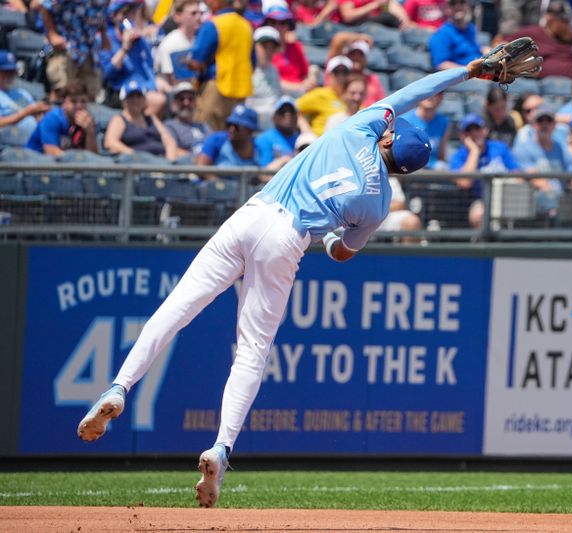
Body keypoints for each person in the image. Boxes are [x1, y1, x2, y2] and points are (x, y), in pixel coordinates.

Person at [76, 56, 498, 509]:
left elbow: (414, 91)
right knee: (252, 350)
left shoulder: (357, 128)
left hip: (252, 214)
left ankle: (119, 386)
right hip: (289, 239)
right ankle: (220, 447)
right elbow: (341, 253)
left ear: (389, 136)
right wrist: (333, 230)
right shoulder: (378, 203)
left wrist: (468, 73)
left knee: (175, 309)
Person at [188, 0, 254, 131]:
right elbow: (253, 63)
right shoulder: (247, 26)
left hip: (217, 89)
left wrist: (186, 62)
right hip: (241, 94)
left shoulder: (213, 24)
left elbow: (196, 62)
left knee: (204, 134)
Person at [450, 112, 520, 228]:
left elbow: (516, 174)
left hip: (505, 199)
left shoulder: (500, 148)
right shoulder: (458, 156)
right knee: (478, 214)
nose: (474, 133)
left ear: (485, 130)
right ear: (462, 136)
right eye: (469, 131)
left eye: (477, 129)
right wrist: (474, 152)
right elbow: (465, 183)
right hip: (480, 200)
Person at [503, 0, 572, 79]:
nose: (566, 24)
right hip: (544, 88)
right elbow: (504, 43)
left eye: (567, 20)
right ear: (550, 18)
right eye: (563, 20)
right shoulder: (533, 33)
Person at [101, 0, 165, 116]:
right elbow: (107, 75)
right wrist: (125, 48)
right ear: (114, 16)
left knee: (168, 91)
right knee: (159, 101)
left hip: (143, 86)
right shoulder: (107, 39)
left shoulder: (139, 40)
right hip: (120, 90)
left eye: (131, 12)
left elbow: (148, 66)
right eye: (124, 13)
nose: (128, 17)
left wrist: (153, 85)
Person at [35, 0, 108, 99]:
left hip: (90, 49)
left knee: (91, 92)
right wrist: (52, 34)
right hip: (66, 46)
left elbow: (101, 14)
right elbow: (44, 6)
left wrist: (104, 35)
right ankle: (55, 113)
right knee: (61, 90)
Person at [104, 80, 178, 160]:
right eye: (131, 96)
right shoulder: (119, 119)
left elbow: (169, 141)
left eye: (139, 96)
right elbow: (110, 143)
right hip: (137, 164)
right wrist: (136, 156)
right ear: (123, 101)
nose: (135, 100)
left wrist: (170, 163)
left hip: (161, 161)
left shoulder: (151, 118)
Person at [26, 80, 98, 157]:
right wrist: (77, 161)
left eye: (83, 102)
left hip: (64, 165)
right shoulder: (52, 119)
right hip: (34, 164)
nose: (79, 106)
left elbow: (93, 158)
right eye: (74, 101)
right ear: (64, 103)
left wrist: (90, 133)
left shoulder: (87, 122)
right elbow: (51, 152)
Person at [0, 50, 49, 147]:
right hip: (8, 147)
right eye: (5, 72)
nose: (10, 75)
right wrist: (25, 113)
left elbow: (37, 117)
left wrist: (42, 113)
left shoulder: (22, 93)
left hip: (33, 144)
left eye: (12, 72)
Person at [264, 5, 317, 94]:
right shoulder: (263, 50)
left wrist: (310, 82)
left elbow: (305, 75)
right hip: (275, 94)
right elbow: (268, 81)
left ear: (288, 26)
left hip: (300, 95)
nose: (278, 27)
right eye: (273, 22)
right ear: (267, 25)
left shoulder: (297, 47)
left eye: (282, 23)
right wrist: (299, 86)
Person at [196, 103, 263, 171]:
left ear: (249, 130)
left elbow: (263, 173)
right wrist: (217, 181)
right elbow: (201, 167)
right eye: (229, 124)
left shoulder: (258, 147)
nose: (231, 129)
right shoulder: (217, 139)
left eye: (236, 127)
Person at [296, 55, 351, 136]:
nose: (341, 76)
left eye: (345, 72)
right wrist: (306, 130)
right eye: (336, 72)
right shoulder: (320, 94)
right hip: (320, 141)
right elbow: (294, 108)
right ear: (329, 75)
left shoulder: (354, 98)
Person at [325, 34, 386, 106]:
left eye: (360, 54)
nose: (356, 57)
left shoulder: (372, 79)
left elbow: (383, 103)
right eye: (352, 54)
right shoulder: (337, 73)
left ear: (365, 59)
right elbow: (338, 40)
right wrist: (360, 37)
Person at [155, 0, 203, 90]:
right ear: (178, 16)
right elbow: (173, 80)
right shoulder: (170, 43)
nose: (199, 17)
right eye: (193, 13)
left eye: (200, 13)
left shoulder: (201, 38)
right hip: (176, 93)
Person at [247, 25, 284, 130]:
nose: (268, 51)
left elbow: (278, 96)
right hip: (253, 124)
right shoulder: (247, 69)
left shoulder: (274, 70)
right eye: (264, 47)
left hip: (273, 124)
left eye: (272, 48)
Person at [428, 0, 484, 70]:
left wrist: (486, 50)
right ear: (446, 8)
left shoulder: (470, 28)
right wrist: (469, 72)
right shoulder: (442, 34)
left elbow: (473, 49)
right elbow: (441, 64)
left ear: (468, 6)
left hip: (482, 70)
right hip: (466, 76)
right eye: (453, 3)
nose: (458, 6)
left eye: (462, 2)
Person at [401, 92, 450, 169]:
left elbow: (441, 155)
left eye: (435, 93)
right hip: (410, 167)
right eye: (426, 92)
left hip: (433, 168)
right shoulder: (404, 120)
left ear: (441, 98)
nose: (430, 96)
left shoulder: (443, 122)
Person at [164, 82, 211, 157]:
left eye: (190, 99)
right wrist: (199, 160)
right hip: (186, 166)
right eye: (181, 99)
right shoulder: (169, 126)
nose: (186, 103)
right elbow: (172, 151)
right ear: (174, 104)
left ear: (195, 103)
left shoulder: (204, 126)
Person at [254, 95, 300, 170]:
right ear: (274, 117)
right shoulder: (264, 139)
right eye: (282, 111)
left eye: (291, 111)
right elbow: (263, 174)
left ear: (297, 117)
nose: (287, 114)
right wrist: (284, 160)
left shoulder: (301, 139)